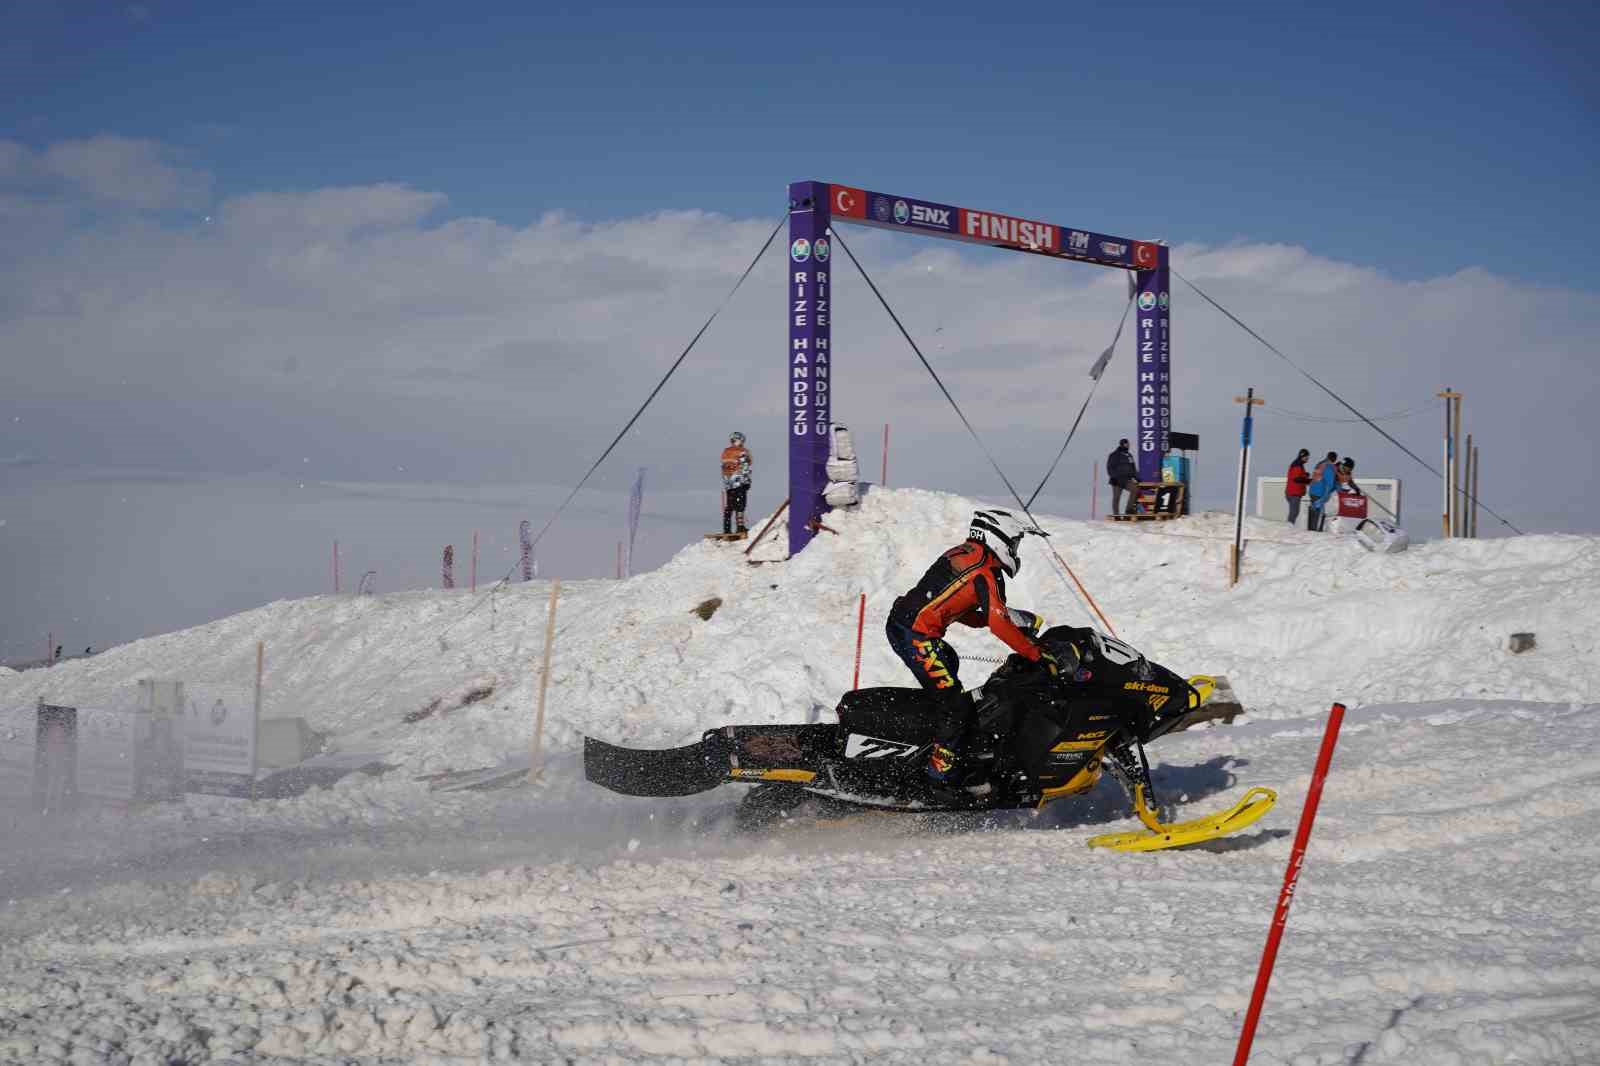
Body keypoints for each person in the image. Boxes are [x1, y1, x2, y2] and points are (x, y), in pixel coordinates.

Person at [886, 509, 1062, 788]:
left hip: (906, 624)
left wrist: (995, 619)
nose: (1015, 550)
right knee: (956, 707)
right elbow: (999, 624)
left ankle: (935, 736)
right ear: (999, 537)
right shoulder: (986, 569)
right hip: (915, 635)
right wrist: (1035, 654)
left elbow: (952, 605)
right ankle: (938, 778)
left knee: (948, 668)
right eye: (1014, 543)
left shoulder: (965, 553)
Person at [719, 431, 751, 535]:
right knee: (740, 505)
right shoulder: (742, 452)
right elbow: (745, 468)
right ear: (739, 440)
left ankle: (727, 528)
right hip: (739, 482)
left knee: (730, 505)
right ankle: (740, 527)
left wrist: (726, 481)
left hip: (728, 483)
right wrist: (747, 482)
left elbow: (724, 467)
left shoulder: (725, 452)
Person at [1306, 450, 1339, 531]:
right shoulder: (1329, 468)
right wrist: (1325, 497)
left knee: (1315, 512)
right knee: (1318, 516)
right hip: (1319, 493)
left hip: (1313, 491)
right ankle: (1315, 532)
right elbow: (1329, 484)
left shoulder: (1320, 464)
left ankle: (1312, 530)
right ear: (1335, 459)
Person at [1106, 438, 1139, 516]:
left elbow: (1133, 468)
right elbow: (1110, 467)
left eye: (1128, 444)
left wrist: (1136, 477)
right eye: (1126, 444)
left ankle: (1128, 510)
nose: (1128, 446)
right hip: (1117, 480)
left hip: (1127, 480)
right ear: (1122, 444)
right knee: (1116, 497)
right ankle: (1116, 514)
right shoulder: (1114, 455)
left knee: (1135, 490)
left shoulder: (1129, 455)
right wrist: (1113, 477)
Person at [1285, 449, 1312, 526]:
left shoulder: (1298, 464)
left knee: (1294, 512)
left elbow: (1297, 476)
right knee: (1294, 512)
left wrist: (1305, 475)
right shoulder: (1297, 465)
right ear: (1302, 456)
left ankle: (1289, 526)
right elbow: (1296, 478)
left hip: (1294, 492)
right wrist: (1308, 481)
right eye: (1307, 457)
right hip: (1294, 493)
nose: (1308, 458)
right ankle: (1288, 527)